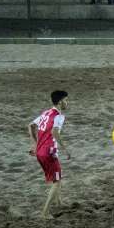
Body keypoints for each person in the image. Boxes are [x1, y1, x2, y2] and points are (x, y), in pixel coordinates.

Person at [28, 90, 71, 220]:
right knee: (57, 181)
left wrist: (35, 145)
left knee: (56, 178)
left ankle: (58, 202)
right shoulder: (59, 116)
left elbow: (30, 126)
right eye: (66, 100)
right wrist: (65, 149)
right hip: (49, 154)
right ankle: (45, 213)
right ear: (60, 102)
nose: (67, 103)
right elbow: (55, 132)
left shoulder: (46, 113)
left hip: (40, 153)